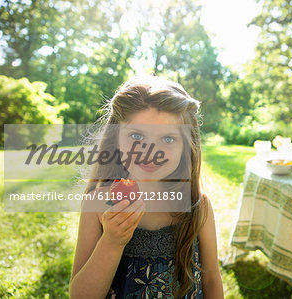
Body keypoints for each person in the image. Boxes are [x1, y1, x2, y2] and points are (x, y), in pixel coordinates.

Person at [69, 76, 224, 298]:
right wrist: (112, 242)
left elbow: (211, 279)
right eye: (137, 135)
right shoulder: (99, 202)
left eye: (168, 139)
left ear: (186, 146)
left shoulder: (197, 205)